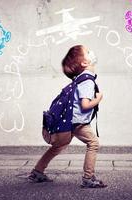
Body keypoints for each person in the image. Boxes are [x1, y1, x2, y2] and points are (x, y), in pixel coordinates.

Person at [29, 45, 107, 188]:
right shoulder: (87, 80)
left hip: (70, 121)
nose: (92, 52)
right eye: (88, 52)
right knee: (93, 143)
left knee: (58, 146)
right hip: (78, 122)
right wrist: (98, 98)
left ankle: (37, 172)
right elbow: (85, 105)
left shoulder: (80, 79)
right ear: (84, 63)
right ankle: (88, 178)